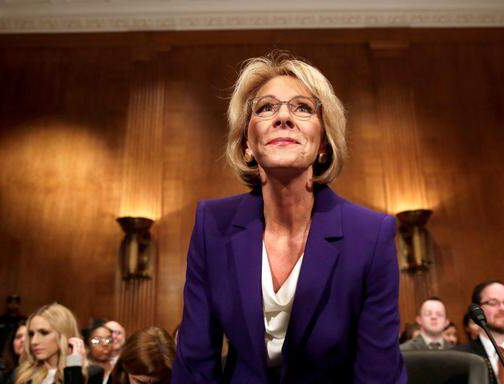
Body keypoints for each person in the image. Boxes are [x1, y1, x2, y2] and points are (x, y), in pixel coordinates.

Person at [172, 52, 405, 383]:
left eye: (303, 108)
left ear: (323, 144)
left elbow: (378, 372)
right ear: (247, 144)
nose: (283, 117)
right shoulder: (213, 223)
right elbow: (196, 362)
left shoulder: (371, 235)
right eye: (266, 108)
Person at [12, 303, 103, 384]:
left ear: (63, 334)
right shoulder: (21, 374)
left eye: (44, 333)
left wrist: (74, 365)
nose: (34, 341)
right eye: (31, 334)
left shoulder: (91, 373)